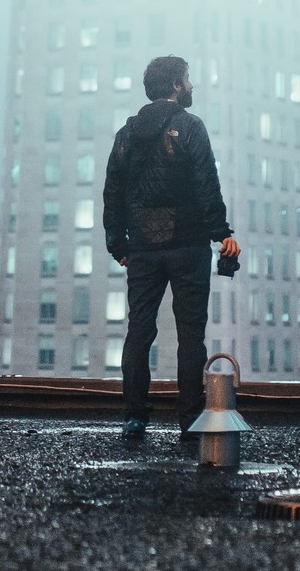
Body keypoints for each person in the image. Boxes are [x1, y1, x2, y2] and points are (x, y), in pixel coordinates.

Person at [103, 55, 240, 441]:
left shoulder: (126, 134)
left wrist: (118, 244)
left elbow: (111, 193)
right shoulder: (190, 127)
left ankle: (134, 417)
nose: (192, 86)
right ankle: (190, 419)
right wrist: (221, 232)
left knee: (139, 331)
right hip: (189, 246)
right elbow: (206, 183)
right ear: (177, 86)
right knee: (189, 335)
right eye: (188, 80)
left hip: (142, 248)